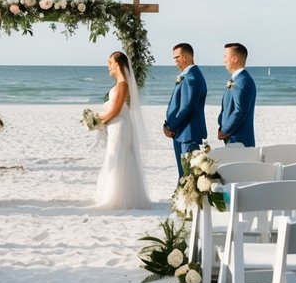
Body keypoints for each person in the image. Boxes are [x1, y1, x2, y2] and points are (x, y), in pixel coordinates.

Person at [94, 51, 152, 210]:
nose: (108, 67)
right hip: (115, 125)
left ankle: (119, 196)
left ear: (117, 64)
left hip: (120, 126)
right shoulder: (119, 84)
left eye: (110, 63)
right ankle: (114, 193)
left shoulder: (123, 85)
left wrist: (98, 120)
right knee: (116, 156)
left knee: (121, 157)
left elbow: (115, 110)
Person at [163, 43, 208, 178]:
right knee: (185, 176)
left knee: (188, 176)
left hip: (187, 135)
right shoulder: (191, 75)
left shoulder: (191, 78)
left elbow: (186, 108)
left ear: (185, 57)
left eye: (177, 57)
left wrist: (169, 126)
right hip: (182, 133)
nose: (175, 61)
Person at [217, 42, 256, 147]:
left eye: (226, 56)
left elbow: (239, 111)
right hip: (232, 140)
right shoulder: (237, 79)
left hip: (239, 141)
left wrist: (224, 130)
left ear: (234, 59)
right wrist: (221, 125)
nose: (224, 60)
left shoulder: (243, 81)